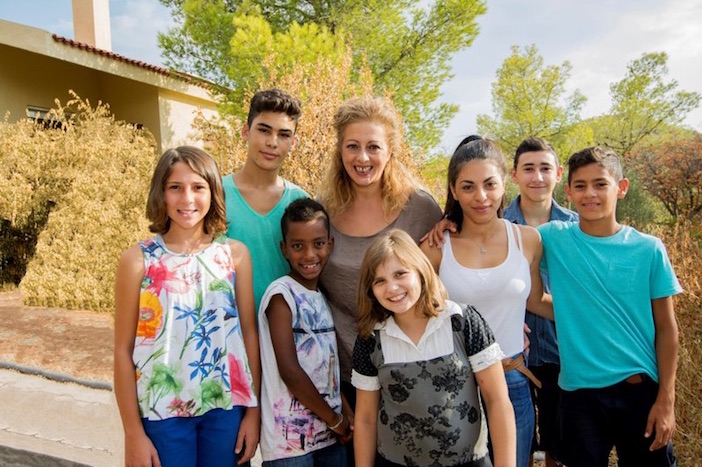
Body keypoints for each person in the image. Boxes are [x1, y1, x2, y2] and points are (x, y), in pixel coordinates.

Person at [114, 146, 261, 467]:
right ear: (161, 193)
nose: (187, 199)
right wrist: (132, 434)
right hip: (161, 412)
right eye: (175, 187)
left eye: (198, 187)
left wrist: (254, 412)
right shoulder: (137, 260)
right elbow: (123, 352)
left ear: (213, 192)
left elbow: (249, 335)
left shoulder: (235, 256)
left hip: (225, 410)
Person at [538, 146, 681, 467]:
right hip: (578, 394)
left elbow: (667, 329)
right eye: (580, 185)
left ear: (622, 187)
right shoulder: (552, 239)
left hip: (639, 391)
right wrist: (449, 223)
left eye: (601, 184)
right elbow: (497, 240)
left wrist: (666, 400)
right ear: (570, 192)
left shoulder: (648, 249)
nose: (590, 193)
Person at [421, 137, 552, 467]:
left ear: (504, 183)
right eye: (468, 186)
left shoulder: (527, 240)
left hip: (512, 378)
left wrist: (595, 314)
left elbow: (536, 301)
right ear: (453, 189)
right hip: (453, 383)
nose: (481, 197)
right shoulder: (436, 247)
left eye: (490, 184)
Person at [317, 95, 443, 409]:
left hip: (412, 368)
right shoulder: (321, 214)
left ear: (390, 151)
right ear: (340, 150)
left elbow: (443, 281)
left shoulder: (420, 208)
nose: (363, 157)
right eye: (352, 146)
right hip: (344, 375)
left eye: (373, 146)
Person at [353, 229, 516, 467]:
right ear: (370, 289)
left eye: (400, 274)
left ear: (420, 271)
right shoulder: (371, 339)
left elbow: (498, 401)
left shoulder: (462, 321)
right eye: (380, 281)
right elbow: (366, 419)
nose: (392, 288)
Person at [258, 198, 352, 466]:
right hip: (289, 445)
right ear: (284, 249)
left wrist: (346, 413)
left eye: (318, 244)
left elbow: (327, 370)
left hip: (330, 437)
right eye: (298, 246)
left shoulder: (321, 298)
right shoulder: (281, 296)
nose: (310, 255)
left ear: (330, 244)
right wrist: (335, 420)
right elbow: (290, 371)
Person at [504, 137, 578, 467]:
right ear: (514, 174)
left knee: (558, 447)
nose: (537, 177)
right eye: (528, 169)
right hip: (509, 350)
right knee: (515, 442)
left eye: (545, 168)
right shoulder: (496, 222)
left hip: (564, 349)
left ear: (558, 173)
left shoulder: (578, 225)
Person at [223, 88, 308, 311]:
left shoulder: (300, 202)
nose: (272, 142)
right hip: (226, 333)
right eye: (264, 130)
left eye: (284, 134)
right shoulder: (215, 195)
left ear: (294, 142)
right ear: (245, 131)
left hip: (284, 335)